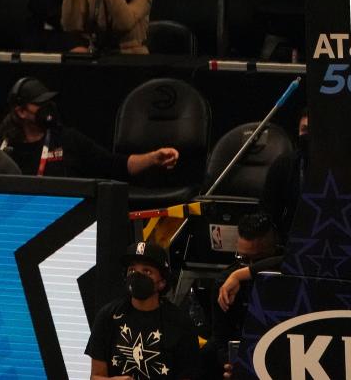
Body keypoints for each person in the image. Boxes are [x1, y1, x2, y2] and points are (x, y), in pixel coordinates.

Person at [0, 77, 179, 179]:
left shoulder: (67, 139)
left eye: (48, 102)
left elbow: (117, 165)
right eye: (40, 104)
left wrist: (153, 158)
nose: (47, 108)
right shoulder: (3, 148)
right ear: (21, 112)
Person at [86, 241, 199, 380]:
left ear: (162, 282)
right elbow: (95, 376)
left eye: (147, 271)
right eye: (132, 270)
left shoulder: (181, 323)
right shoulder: (108, 316)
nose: (137, 276)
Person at [202, 212, 281, 378]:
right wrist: (230, 363)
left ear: (274, 249)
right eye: (243, 259)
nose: (249, 266)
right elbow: (220, 338)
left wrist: (241, 274)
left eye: (258, 260)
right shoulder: (225, 285)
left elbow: (287, 259)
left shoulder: (290, 274)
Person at [260, 108, 309, 240]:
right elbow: (269, 214)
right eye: (305, 130)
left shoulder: (342, 167)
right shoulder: (284, 165)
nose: (309, 135)